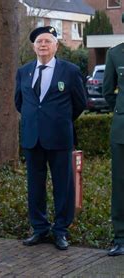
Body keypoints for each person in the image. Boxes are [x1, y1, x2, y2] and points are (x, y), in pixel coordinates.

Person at [15, 26, 86, 250]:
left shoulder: (70, 71)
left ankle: (61, 231)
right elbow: (20, 102)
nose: (43, 45)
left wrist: (59, 120)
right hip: (32, 138)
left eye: (47, 41)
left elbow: (80, 103)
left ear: (56, 45)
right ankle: (39, 228)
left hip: (59, 138)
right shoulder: (24, 71)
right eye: (39, 42)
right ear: (33, 46)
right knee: (35, 186)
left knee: (62, 186)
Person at [102, 14, 124, 256]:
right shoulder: (115, 54)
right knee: (120, 186)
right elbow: (108, 91)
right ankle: (120, 237)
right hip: (122, 131)